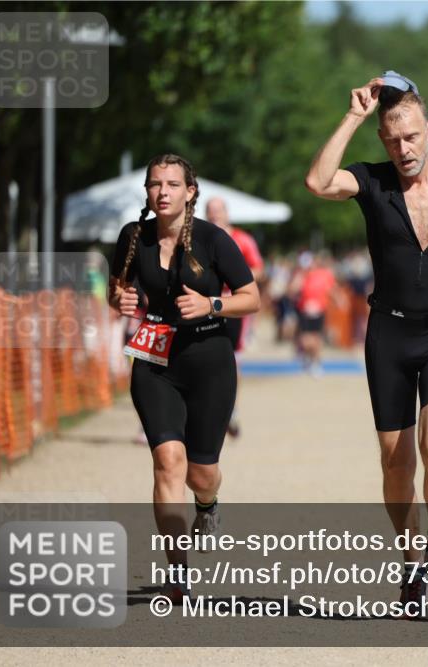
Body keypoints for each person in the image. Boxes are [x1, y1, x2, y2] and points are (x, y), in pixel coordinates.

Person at [305, 71, 428, 615]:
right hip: (388, 333)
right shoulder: (372, 181)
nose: (403, 149)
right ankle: (411, 565)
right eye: (392, 140)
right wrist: (353, 116)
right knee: (396, 465)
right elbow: (317, 182)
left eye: (411, 136)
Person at [108, 154, 260, 602]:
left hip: (209, 359)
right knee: (168, 462)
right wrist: (120, 299)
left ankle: (208, 505)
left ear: (190, 192)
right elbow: (118, 286)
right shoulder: (133, 236)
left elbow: (251, 297)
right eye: (155, 184)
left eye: (173, 184)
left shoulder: (214, 239)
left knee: (201, 473)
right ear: (147, 191)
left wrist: (212, 305)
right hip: (155, 361)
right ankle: (177, 571)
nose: (163, 192)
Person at [206, 196, 265, 437]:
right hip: (205, 306)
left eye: (218, 211)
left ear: (227, 213)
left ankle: (231, 408)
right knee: (205, 357)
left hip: (234, 306)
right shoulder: (199, 238)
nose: (215, 215)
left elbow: (259, 270)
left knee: (230, 359)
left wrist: (233, 274)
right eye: (210, 211)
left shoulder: (243, 239)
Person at [289, 250, 339, 376]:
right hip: (304, 311)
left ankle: (316, 363)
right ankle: (308, 357)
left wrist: (338, 300)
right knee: (306, 340)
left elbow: (331, 289)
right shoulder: (301, 275)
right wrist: (300, 277)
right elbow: (292, 291)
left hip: (319, 310)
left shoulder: (324, 274)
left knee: (316, 339)